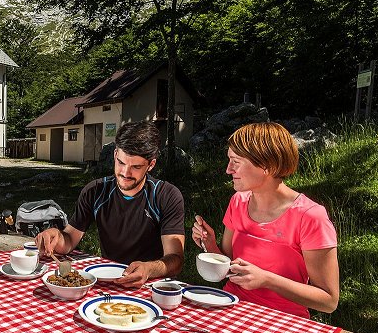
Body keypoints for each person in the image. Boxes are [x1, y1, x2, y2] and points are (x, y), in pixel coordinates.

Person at [192, 122, 339, 318]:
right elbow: (230, 268)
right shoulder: (238, 201)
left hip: (283, 321)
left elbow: (328, 301)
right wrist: (210, 245)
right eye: (229, 160)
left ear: (267, 166)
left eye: (236, 161)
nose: (228, 169)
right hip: (230, 307)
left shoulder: (310, 216)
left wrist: (267, 280)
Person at [36, 121, 186, 288]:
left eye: (135, 167)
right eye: (121, 163)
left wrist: (149, 269)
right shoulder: (95, 191)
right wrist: (55, 236)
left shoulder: (167, 196)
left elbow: (175, 259)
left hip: (150, 284)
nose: (125, 173)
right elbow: (69, 240)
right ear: (115, 155)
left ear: (151, 164)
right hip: (106, 281)